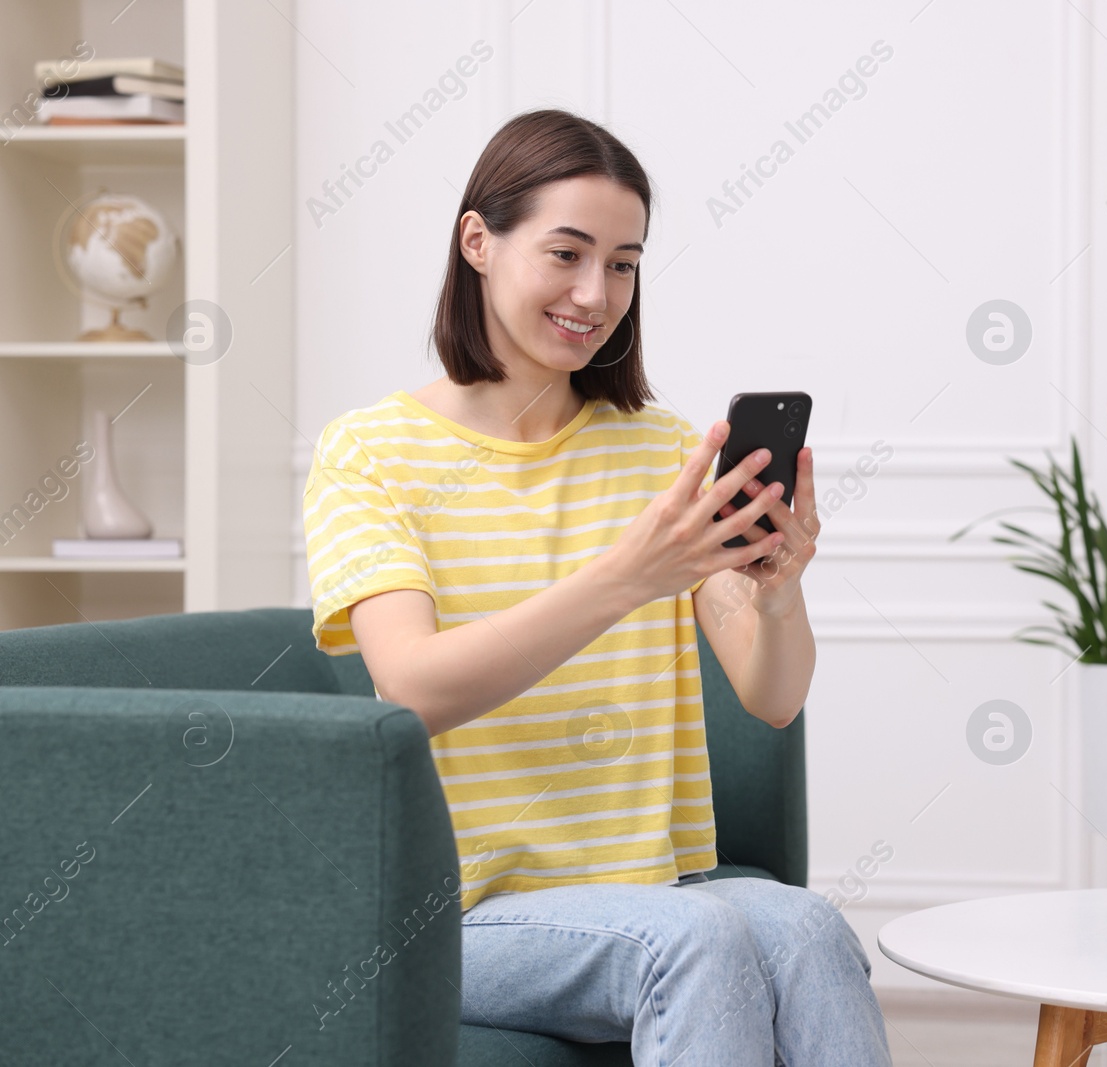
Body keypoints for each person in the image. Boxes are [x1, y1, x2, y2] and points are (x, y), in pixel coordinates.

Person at [301, 108, 892, 1065]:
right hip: (456, 910)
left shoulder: (663, 449)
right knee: (697, 939)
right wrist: (624, 578)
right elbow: (410, 688)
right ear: (478, 242)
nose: (596, 292)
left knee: (809, 928)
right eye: (567, 254)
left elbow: (772, 699)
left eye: (623, 263)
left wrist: (780, 592)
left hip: (646, 885)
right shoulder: (371, 452)